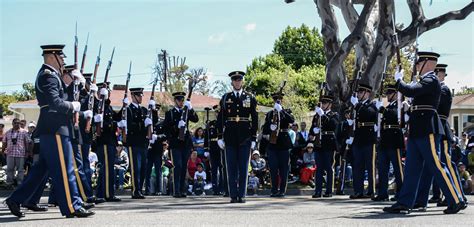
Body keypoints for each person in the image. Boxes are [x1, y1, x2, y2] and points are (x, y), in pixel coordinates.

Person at [5, 44, 94, 218]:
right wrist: (74, 106)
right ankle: (72, 205)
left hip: (54, 129)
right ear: (52, 56)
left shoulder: (52, 76)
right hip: (55, 129)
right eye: (61, 57)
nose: (63, 60)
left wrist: (81, 87)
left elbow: (65, 97)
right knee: (65, 169)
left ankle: (16, 199)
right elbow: (56, 103)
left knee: (41, 171)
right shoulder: (48, 76)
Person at [384, 51, 465, 214]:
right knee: (412, 169)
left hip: (428, 128)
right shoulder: (425, 81)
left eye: (419, 63)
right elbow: (414, 97)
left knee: (437, 165)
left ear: (428, 63)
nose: (417, 66)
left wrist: (399, 81)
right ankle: (405, 202)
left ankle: (455, 200)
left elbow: (411, 91)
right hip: (417, 128)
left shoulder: (431, 79)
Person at [415, 63, 466, 209]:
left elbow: (434, 107)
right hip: (432, 129)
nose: (436, 76)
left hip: (441, 129)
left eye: (439, 73)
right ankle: (421, 200)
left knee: (447, 165)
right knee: (429, 167)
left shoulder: (443, 89)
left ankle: (459, 197)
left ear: (443, 75)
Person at [217, 70, 258, 203]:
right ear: (232, 82)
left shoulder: (250, 97)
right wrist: (219, 136)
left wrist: (253, 138)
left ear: (242, 81)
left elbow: (255, 119)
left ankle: (242, 195)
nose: (237, 82)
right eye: (235, 80)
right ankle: (233, 195)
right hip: (230, 137)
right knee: (231, 167)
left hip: (245, 137)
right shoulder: (225, 98)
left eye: (239, 80)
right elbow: (221, 118)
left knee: (244, 167)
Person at [163, 91, 199, 198]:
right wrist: (176, 127)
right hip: (175, 144)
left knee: (184, 167)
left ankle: (183, 190)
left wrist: (191, 108)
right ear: (175, 101)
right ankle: (176, 190)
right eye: (179, 100)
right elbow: (166, 129)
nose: (181, 102)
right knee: (177, 166)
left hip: (186, 144)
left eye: (182, 100)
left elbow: (196, 119)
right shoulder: (170, 113)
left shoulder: (186, 111)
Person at [372, 84, 404, 202]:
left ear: (396, 94)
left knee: (397, 168)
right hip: (385, 139)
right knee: (382, 168)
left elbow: (395, 116)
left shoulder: (399, 105)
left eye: (390, 93)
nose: (388, 96)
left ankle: (401, 192)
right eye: (387, 94)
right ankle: (383, 193)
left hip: (394, 139)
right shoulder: (389, 106)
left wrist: (383, 109)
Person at [347, 82, 378, 199]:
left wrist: (357, 106)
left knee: (370, 166)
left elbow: (369, 113)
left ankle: (371, 190)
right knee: (357, 166)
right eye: (358, 92)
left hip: (369, 139)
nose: (359, 94)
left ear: (367, 93)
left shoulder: (372, 105)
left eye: (361, 92)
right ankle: (358, 190)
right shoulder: (358, 106)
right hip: (358, 138)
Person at [262, 91, 295, 197]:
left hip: (284, 144)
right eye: (276, 100)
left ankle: (282, 190)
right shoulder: (270, 114)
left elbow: (291, 120)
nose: (278, 101)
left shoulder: (286, 112)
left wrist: (282, 111)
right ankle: (274, 189)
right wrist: (269, 127)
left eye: (279, 100)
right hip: (273, 144)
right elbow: (265, 129)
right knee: (273, 168)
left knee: (284, 169)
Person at [119, 87, 150, 199]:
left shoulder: (144, 110)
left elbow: (152, 124)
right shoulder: (128, 110)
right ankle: (135, 190)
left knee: (143, 168)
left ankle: (140, 189)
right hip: (133, 143)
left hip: (143, 143)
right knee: (135, 168)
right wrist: (143, 124)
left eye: (141, 95)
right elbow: (130, 126)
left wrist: (153, 114)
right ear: (133, 96)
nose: (141, 97)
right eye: (138, 95)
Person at [93, 82, 121, 203]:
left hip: (110, 141)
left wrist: (124, 107)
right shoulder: (97, 105)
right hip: (103, 141)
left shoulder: (108, 106)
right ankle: (107, 194)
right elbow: (99, 124)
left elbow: (115, 118)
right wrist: (114, 124)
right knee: (106, 168)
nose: (107, 93)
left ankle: (102, 193)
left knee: (108, 168)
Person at [310, 93, 340, 198]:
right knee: (318, 168)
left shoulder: (334, 115)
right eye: (322, 103)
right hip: (319, 144)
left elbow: (333, 125)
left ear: (330, 105)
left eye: (325, 103)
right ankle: (317, 191)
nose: (323, 105)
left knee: (329, 167)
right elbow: (312, 130)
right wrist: (313, 131)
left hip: (329, 143)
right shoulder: (317, 115)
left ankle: (329, 190)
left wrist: (323, 115)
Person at [2, 118, 30, 187]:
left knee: (20, 169)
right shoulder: (8, 132)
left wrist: (27, 152)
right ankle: (9, 183)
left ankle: (19, 182)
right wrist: (2, 151)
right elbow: (4, 142)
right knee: (9, 169)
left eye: (18, 123)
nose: (17, 124)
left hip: (20, 153)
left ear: (20, 124)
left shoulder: (24, 132)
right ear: (12, 124)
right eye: (15, 123)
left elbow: (27, 142)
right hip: (10, 153)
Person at [145, 105, 166, 196]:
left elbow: (166, 135)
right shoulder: (148, 122)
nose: (155, 111)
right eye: (154, 109)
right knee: (148, 170)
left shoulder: (162, 123)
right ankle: (147, 189)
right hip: (149, 150)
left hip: (158, 150)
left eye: (157, 109)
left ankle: (159, 190)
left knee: (158, 170)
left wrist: (158, 137)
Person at [205, 105, 224, 195]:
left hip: (221, 147)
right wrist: (206, 149)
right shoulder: (211, 123)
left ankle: (222, 187)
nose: (217, 114)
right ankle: (215, 188)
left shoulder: (224, 122)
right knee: (214, 169)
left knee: (222, 168)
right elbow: (206, 136)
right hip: (213, 147)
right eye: (216, 112)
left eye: (219, 112)